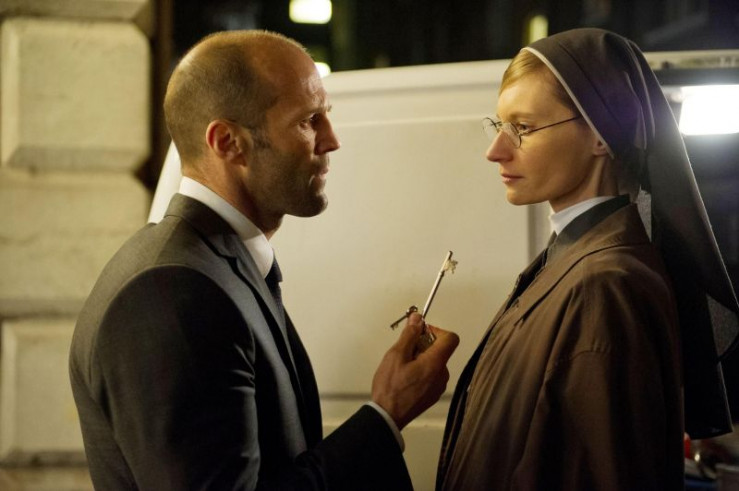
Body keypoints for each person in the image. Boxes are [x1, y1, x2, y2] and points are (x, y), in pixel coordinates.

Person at [69, 30, 459, 490]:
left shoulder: (211, 266)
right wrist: (385, 415)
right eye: (308, 121)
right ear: (227, 142)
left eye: (326, 116)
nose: (331, 140)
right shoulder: (171, 293)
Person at [436, 28, 739, 490]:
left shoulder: (606, 284)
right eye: (499, 126)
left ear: (601, 134)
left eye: (523, 128)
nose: (495, 150)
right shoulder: (572, 259)